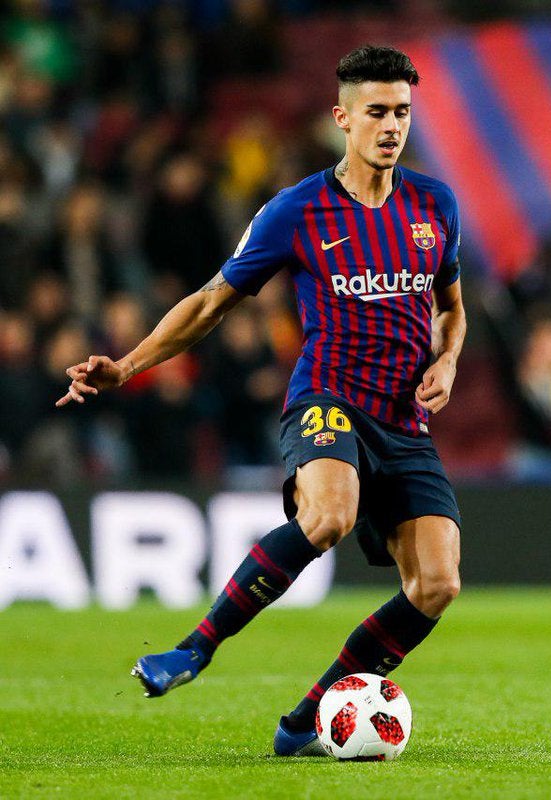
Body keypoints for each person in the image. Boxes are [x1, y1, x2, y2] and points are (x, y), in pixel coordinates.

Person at [55, 46, 466, 757]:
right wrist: (127, 365)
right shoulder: (297, 210)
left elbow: (452, 308)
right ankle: (195, 648)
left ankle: (308, 716)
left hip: (405, 419)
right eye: (376, 111)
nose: (391, 125)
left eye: (402, 111)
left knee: (437, 583)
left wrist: (451, 358)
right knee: (329, 516)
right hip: (328, 398)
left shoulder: (436, 205)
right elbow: (213, 302)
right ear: (343, 118)